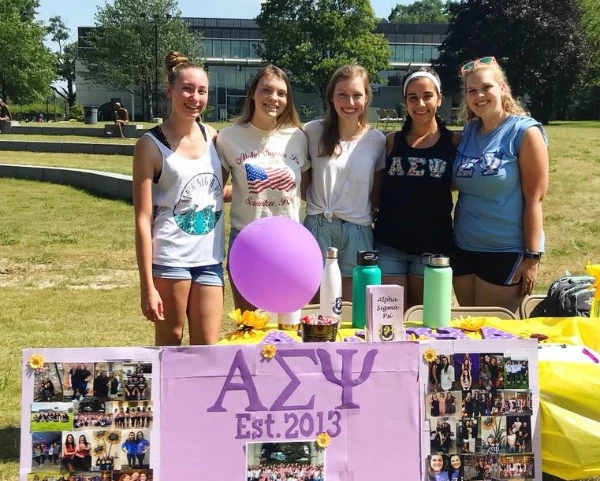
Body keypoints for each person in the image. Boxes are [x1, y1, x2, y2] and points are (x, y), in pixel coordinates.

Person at [133, 51, 224, 346]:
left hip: (209, 260)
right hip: (170, 258)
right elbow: (143, 219)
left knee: (208, 347)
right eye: (187, 89)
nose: (194, 97)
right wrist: (147, 286)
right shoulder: (150, 145)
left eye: (202, 91)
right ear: (169, 90)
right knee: (170, 342)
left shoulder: (213, 136)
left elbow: (212, 192)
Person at [452, 57, 549, 312]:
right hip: (463, 247)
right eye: (472, 90)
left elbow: (534, 199)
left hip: (506, 250)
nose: (479, 95)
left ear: (502, 88)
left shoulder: (525, 132)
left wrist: (531, 257)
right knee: (466, 328)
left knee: (492, 336)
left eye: (486, 87)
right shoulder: (469, 132)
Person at [216, 65, 309, 311]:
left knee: (288, 329)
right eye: (266, 90)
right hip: (248, 244)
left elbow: (307, 188)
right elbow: (216, 190)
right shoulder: (229, 137)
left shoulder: (298, 137)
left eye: (281, 93)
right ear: (253, 95)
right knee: (250, 327)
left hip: (290, 245)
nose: (273, 98)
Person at [373, 67, 459, 307]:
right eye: (413, 97)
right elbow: (377, 192)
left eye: (427, 96)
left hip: (433, 247)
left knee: (424, 319)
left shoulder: (454, 142)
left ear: (439, 99)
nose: (420, 103)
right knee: (390, 318)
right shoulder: (392, 142)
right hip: (390, 245)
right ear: (405, 102)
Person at [303, 64, 385, 301]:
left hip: (358, 231)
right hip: (319, 227)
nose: (350, 102)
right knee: (316, 307)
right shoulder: (312, 132)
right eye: (342, 95)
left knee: (351, 308)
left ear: (367, 98)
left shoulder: (377, 140)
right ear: (331, 97)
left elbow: (376, 190)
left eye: (357, 95)